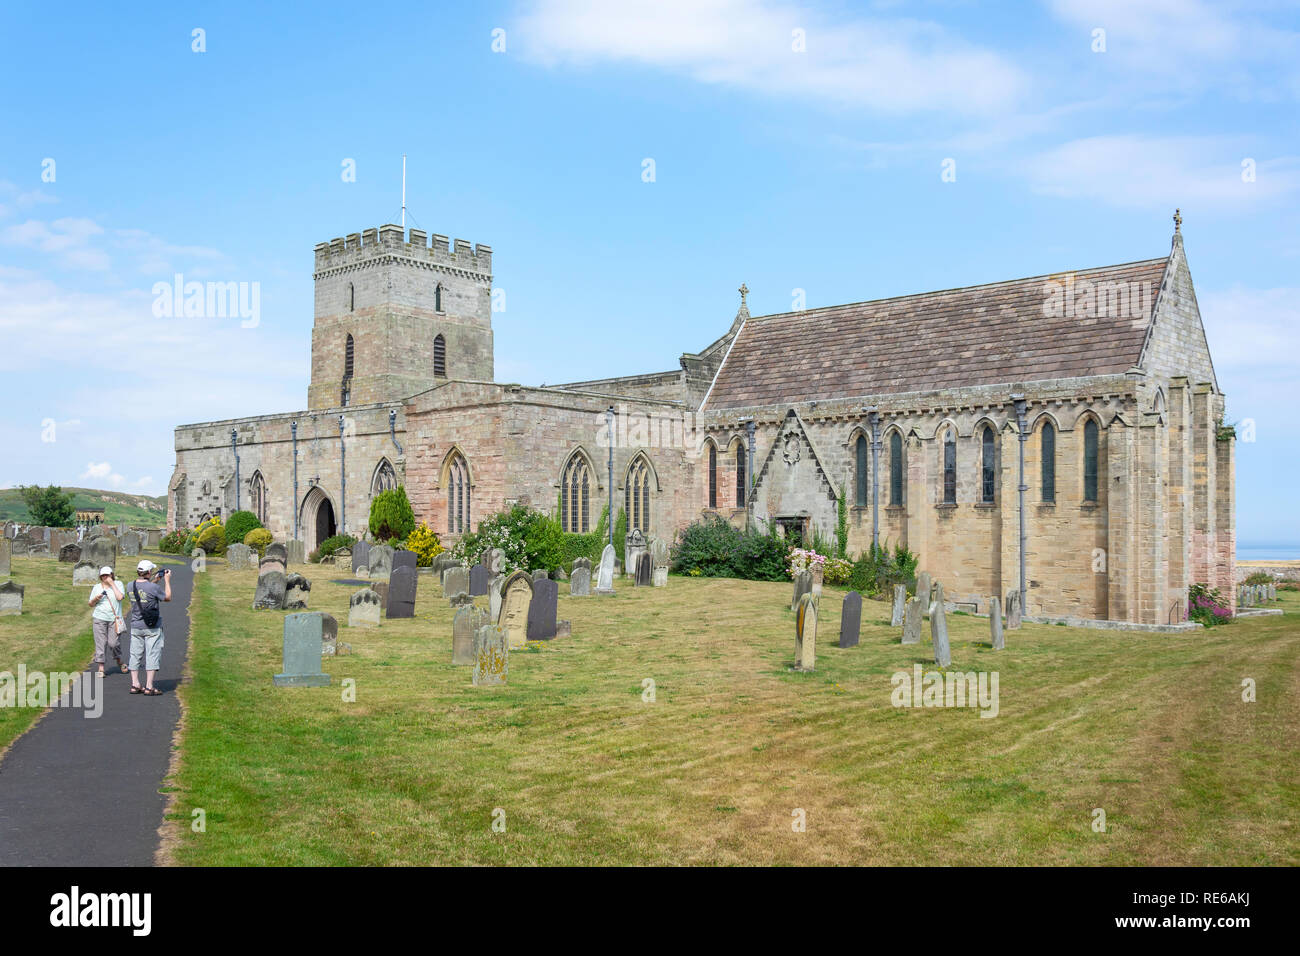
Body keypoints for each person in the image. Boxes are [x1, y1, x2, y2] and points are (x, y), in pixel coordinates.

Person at [127, 559, 171, 696]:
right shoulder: (154, 588)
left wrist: (155, 580)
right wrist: (167, 580)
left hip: (136, 624)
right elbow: (167, 597)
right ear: (149, 572)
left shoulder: (130, 585)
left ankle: (135, 684)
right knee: (152, 654)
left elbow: (143, 592)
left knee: (135, 654)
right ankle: (149, 686)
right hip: (152, 626)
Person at [87, 567, 126, 675]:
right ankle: (101, 667)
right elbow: (90, 604)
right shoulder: (97, 587)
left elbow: (120, 597)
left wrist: (112, 584)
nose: (105, 577)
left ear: (112, 575)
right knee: (101, 643)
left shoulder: (118, 584)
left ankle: (119, 660)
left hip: (114, 619)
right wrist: (96, 598)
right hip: (99, 618)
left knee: (113, 644)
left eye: (107, 575)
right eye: (103, 575)